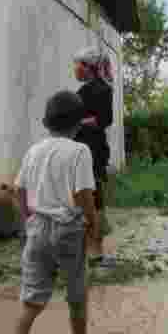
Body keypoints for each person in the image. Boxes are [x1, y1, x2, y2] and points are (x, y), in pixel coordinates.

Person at [0, 90, 100, 334]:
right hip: (68, 229)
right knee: (77, 294)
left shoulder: (34, 151)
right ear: (78, 124)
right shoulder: (80, 152)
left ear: (47, 122)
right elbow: (83, 195)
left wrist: (28, 221)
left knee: (32, 298)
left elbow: (20, 192)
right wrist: (93, 224)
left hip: (37, 228)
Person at [72, 46, 114, 266]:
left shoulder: (100, 89)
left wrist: (76, 123)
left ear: (88, 67)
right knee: (83, 198)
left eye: (77, 64)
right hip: (81, 151)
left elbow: (104, 119)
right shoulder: (85, 90)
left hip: (92, 151)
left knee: (93, 199)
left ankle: (95, 252)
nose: (74, 69)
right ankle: (87, 251)